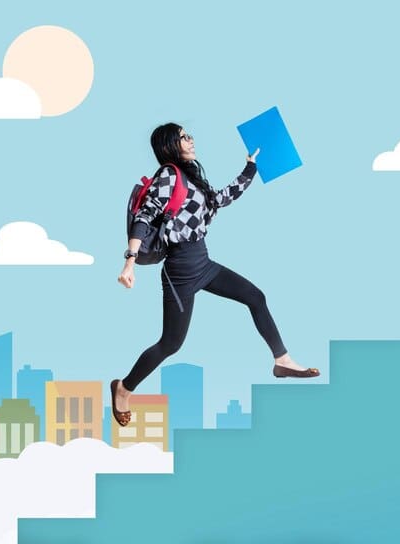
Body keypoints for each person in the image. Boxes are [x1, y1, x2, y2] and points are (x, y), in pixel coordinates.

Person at [111, 123, 319, 427]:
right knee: (171, 343)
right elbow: (144, 217)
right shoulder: (169, 175)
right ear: (170, 144)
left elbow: (220, 199)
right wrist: (130, 261)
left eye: (189, 134)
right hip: (180, 270)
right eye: (184, 137)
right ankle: (123, 388)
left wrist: (250, 168)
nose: (191, 139)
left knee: (255, 297)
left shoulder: (192, 177)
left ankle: (282, 361)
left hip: (203, 263)